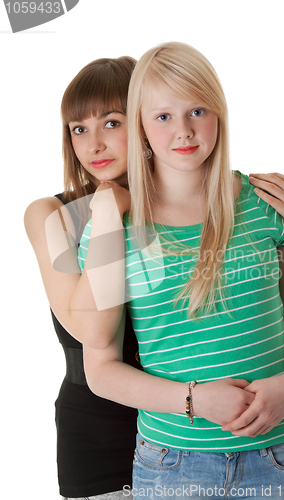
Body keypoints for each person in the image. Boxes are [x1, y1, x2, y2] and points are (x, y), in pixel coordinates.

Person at [77, 42, 284, 499]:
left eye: (197, 111)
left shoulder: (263, 204)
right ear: (141, 127)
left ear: (219, 114)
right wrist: (194, 400)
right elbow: (101, 370)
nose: (184, 131)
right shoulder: (115, 230)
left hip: (281, 456)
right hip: (172, 464)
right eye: (163, 116)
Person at [24, 57, 141, 500]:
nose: (93, 144)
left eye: (111, 123)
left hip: (188, 428)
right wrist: (108, 213)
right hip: (96, 438)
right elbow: (92, 329)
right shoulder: (51, 215)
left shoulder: (179, 213)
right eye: (78, 129)